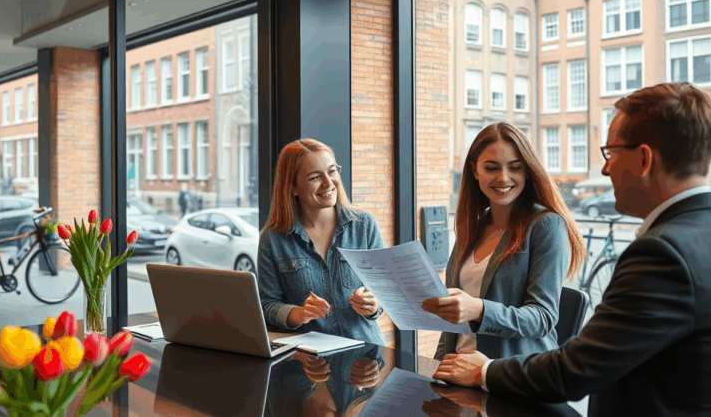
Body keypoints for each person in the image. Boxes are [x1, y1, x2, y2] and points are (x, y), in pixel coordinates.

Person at [433, 83, 711, 417]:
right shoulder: (693, 236)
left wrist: (483, 371)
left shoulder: (662, 253)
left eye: (610, 153)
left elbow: (575, 369)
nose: (605, 169)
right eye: (491, 167)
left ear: (643, 158)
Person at [422, 122, 585, 360]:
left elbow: (543, 317)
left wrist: (478, 310)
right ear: (474, 170)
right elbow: (453, 327)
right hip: (458, 371)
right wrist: (437, 370)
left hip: (510, 376)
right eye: (491, 168)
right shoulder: (473, 227)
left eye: (515, 167)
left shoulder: (545, 225)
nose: (504, 178)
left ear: (527, 171)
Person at [257, 139, 386, 346]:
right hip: (308, 363)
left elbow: (384, 293)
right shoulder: (273, 239)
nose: (329, 183)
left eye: (332, 171)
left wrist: (374, 305)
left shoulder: (365, 225)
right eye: (315, 177)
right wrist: (298, 313)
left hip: (365, 355)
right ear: (293, 187)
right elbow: (267, 305)